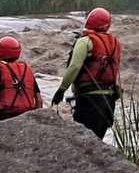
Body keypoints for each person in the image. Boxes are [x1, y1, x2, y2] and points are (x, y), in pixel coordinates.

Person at [51, 8, 122, 140]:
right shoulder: (115, 43)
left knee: (82, 144)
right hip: (109, 103)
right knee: (97, 142)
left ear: (89, 21)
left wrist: (61, 90)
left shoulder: (85, 41)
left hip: (89, 102)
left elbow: (74, 67)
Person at [0, 37, 43, 124]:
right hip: (26, 116)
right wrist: (38, 119)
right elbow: (38, 99)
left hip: (3, 117)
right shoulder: (27, 72)